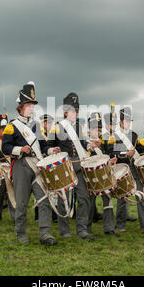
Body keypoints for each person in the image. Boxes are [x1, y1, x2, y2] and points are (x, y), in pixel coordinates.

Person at [2, 82, 59, 245]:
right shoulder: (11, 126)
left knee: (44, 199)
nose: (32, 108)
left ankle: (45, 233)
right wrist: (20, 149)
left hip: (37, 164)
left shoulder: (36, 126)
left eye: (33, 105)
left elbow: (43, 145)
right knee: (21, 202)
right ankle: (20, 233)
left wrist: (50, 151)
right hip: (21, 165)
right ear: (21, 107)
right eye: (29, 105)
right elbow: (5, 147)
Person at [48, 92, 94, 241]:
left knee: (84, 197)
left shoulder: (79, 128)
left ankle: (82, 229)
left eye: (76, 110)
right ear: (65, 111)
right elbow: (48, 146)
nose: (74, 113)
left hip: (79, 164)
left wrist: (91, 145)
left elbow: (82, 144)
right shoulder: (57, 127)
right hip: (64, 165)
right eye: (72, 110)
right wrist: (53, 150)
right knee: (64, 199)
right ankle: (64, 229)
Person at [87, 111, 119, 236]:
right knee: (89, 202)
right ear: (90, 129)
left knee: (108, 200)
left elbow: (108, 155)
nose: (98, 131)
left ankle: (109, 228)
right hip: (91, 177)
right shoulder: (85, 143)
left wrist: (111, 160)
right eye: (96, 129)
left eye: (100, 129)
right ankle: (86, 228)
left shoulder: (104, 142)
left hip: (104, 175)